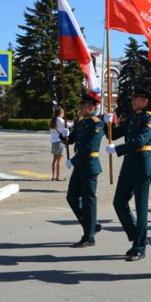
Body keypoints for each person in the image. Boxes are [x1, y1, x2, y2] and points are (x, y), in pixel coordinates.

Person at [104, 86, 151, 261]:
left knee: (141, 208)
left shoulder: (150, 119)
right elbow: (115, 134)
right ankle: (137, 235)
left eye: (137, 99)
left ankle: (140, 247)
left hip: (142, 165)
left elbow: (140, 140)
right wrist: (108, 123)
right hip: (128, 164)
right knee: (119, 202)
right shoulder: (132, 118)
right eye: (133, 98)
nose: (133, 101)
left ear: (145, 101)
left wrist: (117, 149)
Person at [64, 92, 105, 248]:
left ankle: (89, 236)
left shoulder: (97, 124)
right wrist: (64, 134)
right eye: (81, 105)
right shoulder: (82, 123)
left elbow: (89, 148)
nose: (80, 107)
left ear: (91, 107)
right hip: (79, 167)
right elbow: (71, 139)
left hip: (89, 166)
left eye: (83, 105)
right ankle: (92, 224)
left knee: (88, 201)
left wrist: (72, 160)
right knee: (72, 198)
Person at [49, 107, 69, 182]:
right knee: (59, 160)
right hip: (60, 142)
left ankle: (53, 176)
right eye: (63, 113)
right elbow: (69, 125)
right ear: (60, 113)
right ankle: (58, 177)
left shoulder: (52, 121)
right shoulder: (60, 120)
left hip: (53, 142)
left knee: (54, 160)